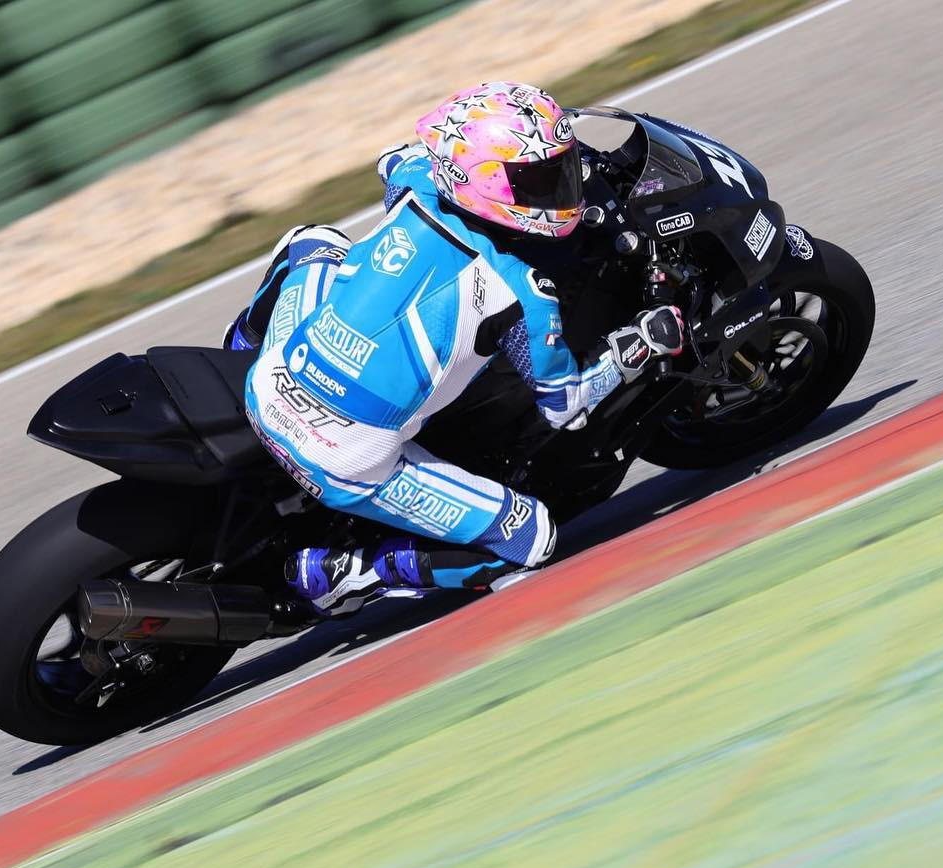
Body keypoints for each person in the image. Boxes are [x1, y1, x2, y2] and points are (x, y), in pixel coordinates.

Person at [230, 81, 685, 614]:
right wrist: (639, 345)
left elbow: (393, 159)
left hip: (270, 377)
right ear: (483, 184)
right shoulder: (524, 291)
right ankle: (351, 575)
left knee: (312, 241)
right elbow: (566, 406)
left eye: (562, 168)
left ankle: (239, 346)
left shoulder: (418, 180)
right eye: (541, 179)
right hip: (342, 455)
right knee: (531, 537)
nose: (562, 190)